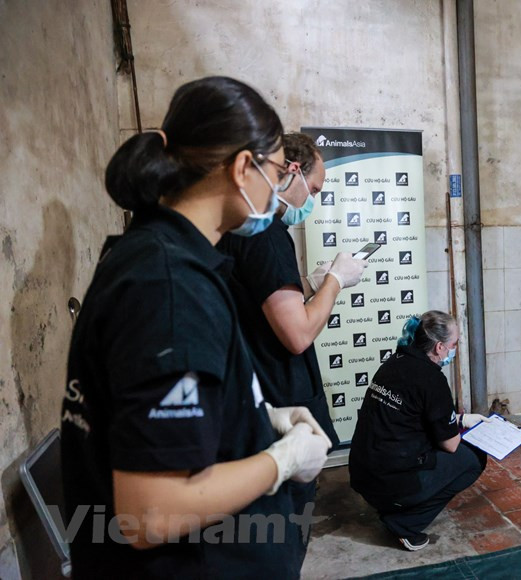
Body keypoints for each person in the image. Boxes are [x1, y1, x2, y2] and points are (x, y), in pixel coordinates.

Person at [61, 76, 332, 579]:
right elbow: (153, 513)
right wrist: (284, 459)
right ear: (243, 167)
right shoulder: (168, 285)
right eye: (277, 172)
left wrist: (255, 417)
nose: (278, 190)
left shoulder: (162, 256)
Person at [217, 132, 366, 555]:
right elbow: (298, 334)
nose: (312, 200)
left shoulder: (238, 229)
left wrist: (309, 286)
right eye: (314, 190)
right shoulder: (265, 234)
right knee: (287, 526)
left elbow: (265, 302)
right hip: (280, 394)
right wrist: (335, 282)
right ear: (292, 170)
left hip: (258, 392)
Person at [349, 311, 491, 551]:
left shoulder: (394, 363)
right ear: (439, 347)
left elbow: (414, 416)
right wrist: (466, 430)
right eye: (454, 345)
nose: (455, 350)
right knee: (473, 458)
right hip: (389, 482)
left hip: (363, 475)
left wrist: (462, 419)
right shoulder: (432, 379)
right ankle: (405, 522)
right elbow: (450, 445)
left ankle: (395, 503)